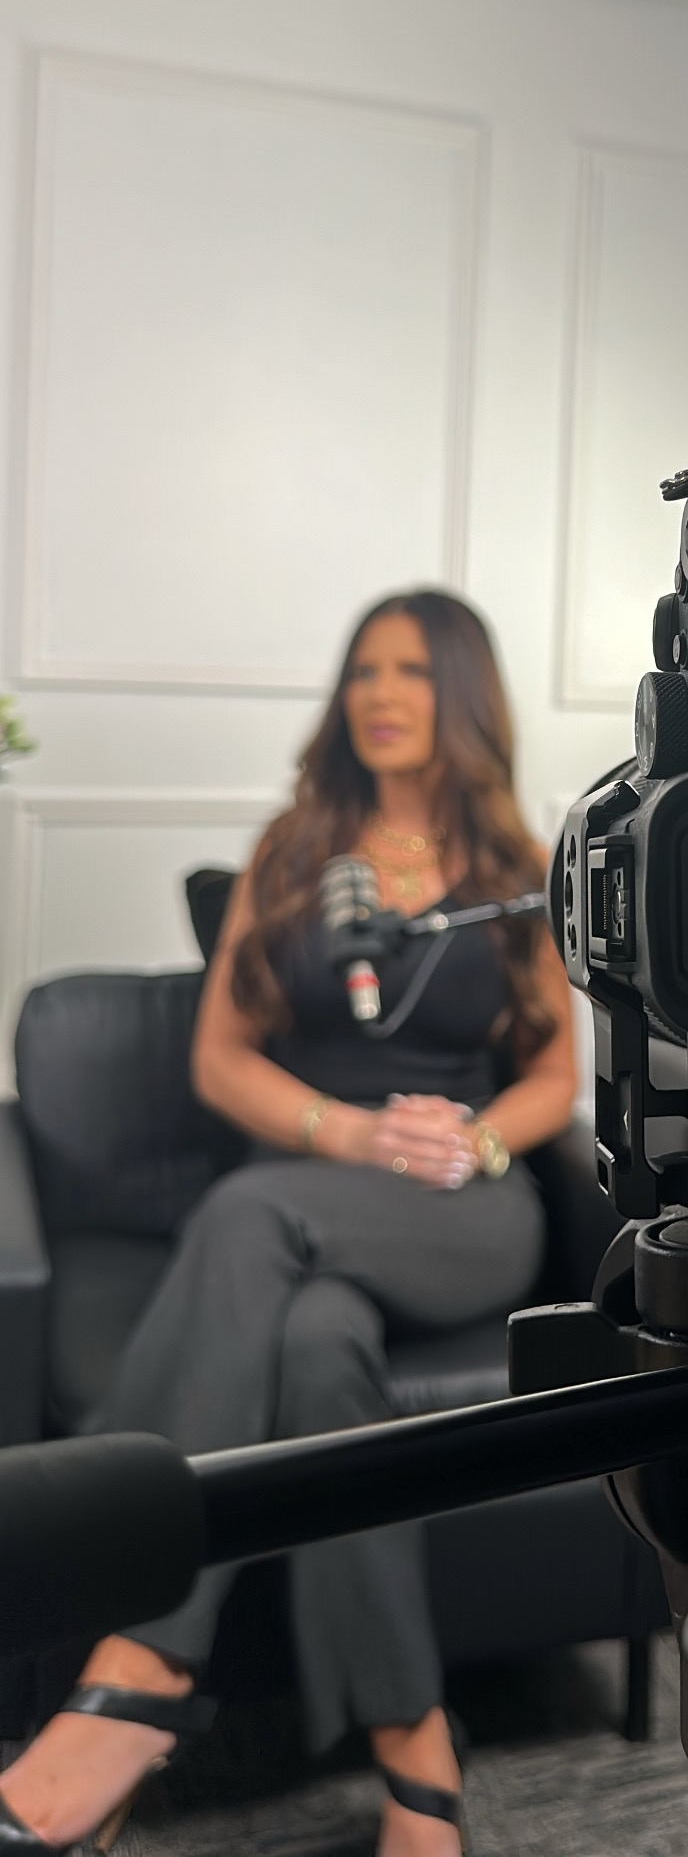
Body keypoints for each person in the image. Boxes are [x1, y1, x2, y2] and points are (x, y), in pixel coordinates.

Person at [0, 590, 575, 1857]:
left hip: (463, 1208)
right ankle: (416, 1749)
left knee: (249, 1214)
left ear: (462, 695)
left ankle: (138, 1668)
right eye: (364, 670)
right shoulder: (295, 847)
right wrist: (351, 1133)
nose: (381, 694)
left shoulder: (517, 872)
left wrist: (477, 1140)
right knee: (317, 1345)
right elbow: (220, 1057)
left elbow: (553, 1074)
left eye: (411, 671)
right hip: (316, 1187)